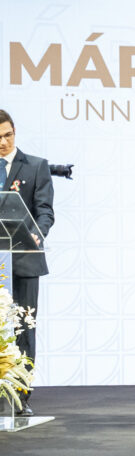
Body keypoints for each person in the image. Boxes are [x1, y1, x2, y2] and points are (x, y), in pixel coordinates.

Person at [0, 109, 54, 418]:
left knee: (23, 328)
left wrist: (37, 232)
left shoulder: (36, 166)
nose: (3, 142)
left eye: (7, 135)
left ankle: (20, 395)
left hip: (24, 260)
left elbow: (45, 210)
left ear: (15, 132)